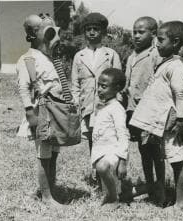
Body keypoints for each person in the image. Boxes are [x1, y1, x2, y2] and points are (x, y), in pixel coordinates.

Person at [129, 21, 183, 210]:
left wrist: (180, 120)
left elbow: (180, 95)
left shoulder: (176, 66)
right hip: (163, 122)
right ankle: (159, 191)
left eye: (161, 40)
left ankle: (180, 203)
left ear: (176, 42)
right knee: (166, 157)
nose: (157, 44)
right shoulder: (165, 63)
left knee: (178, 161)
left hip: (172, 123)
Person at [16, 14, 65, 207]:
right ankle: (46, 197)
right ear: (31, 34)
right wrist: (30, 112)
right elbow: (23, 88)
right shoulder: (27, 58)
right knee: (44, 155)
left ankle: (51, 190)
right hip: (41, 112)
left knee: (53, 153)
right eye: (41, 28)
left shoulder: (50, 57)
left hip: (56, 113)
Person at [71, 12, 122, 184]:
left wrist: (117, 104)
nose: (92, 32)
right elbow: (75, 84)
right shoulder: (79, 56)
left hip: (106, 106)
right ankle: (98, 177)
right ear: (84, 32)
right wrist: (75, 105)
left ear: (103, 32)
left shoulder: (111, 54)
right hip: (87, 106)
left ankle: (111, 176)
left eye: (96, 29)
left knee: (108, 139)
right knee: (93, 139)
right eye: (88, 29)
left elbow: (120, 82)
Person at [124, 17, 163, 202]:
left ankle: (161, 188)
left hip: (152, 112)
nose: (137, 36)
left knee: (156, 151)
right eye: (134, 32)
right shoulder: (132, 56)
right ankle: (149, 185)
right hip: (135, 112)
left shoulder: (156, 54)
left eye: (142, 32)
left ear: (153, 34)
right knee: (143, 150)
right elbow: (128, 85)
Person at [91, 68, 129, 206]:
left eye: (104, 86)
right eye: (98, 86)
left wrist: (123, 161)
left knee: (102, 167)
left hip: (114, 153)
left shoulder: (117, 108)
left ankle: (113, 199)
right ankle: (116, 195)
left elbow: (123, 135)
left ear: (117, 88)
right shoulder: (104, 106)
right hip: (101, 152)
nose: (99, 90)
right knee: (116, 188)